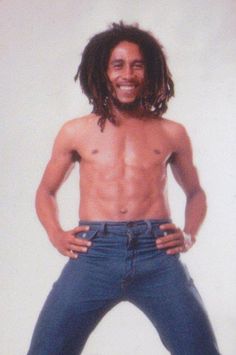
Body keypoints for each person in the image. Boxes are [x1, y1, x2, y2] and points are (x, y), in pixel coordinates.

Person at [27, 22, 220, 355]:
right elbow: (46, 191)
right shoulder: (75, 132)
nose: (127, 74)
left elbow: (196, 193)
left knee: (200, 349)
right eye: (118, 65)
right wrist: (56, 234)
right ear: (102, 71)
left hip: (157, 252)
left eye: (137, 65)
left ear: (150, 72)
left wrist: (189, 234)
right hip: (94, 253)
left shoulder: (172, 133)